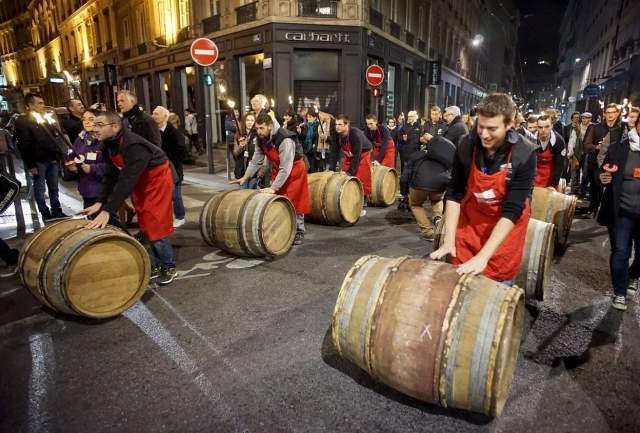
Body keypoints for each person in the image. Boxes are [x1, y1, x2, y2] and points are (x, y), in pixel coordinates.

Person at [430, 93, 536, 284]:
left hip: (503, 231)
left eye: (492, 129)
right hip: (472, 223)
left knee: (496, 286)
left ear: (509, 124)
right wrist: (448, 240)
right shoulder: (466, 144)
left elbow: (512, 210)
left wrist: (483, 257)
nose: (484, 134)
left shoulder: (524, 153)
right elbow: (454, 193)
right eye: (481, 127)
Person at [82, 111, 177, 285]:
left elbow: (125, 181)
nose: (94, 129)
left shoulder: (134, 145)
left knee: (154, 223)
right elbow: (111, 176)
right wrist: (100, 202)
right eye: (94, 125)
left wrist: (108, 211)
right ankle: (157, 264)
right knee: (144, 222)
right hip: (140, 180)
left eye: (99, 125)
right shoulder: (107, 145)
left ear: (115, 126)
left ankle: (169, 266)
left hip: (157, 180)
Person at [232, 113, 310, 245]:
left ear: (270, 126)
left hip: (294, 171)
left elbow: (286, 167)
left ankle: (299, 231)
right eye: (257, 128)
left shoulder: (285, 139)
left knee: (295, 200)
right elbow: (256, 160)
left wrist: (274, 187)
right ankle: (284, 227)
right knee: (279, 201)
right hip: (279, 169)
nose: (258, 131)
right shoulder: (261, 138)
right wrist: (245, 177)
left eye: (261, 128)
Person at [597, 116, 640, 311]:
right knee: (621, 251)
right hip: (621, 210)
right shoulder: (619, 147)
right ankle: (620, 292)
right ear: (637, 125)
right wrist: (602, 177)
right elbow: (602, 171)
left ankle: (633, 275)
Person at [14, 93, 68, 220]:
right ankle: (45, 212)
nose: (42, 106)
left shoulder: (45, 118)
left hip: (51, 158)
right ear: (29, 105)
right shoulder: (22, 121)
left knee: (54, 187)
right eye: (39, 103)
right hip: (38, 160)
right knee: (40, 188)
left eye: (42, 102)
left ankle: (57, 210)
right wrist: (31, 165)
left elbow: (55, 136)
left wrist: (58, 155)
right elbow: (24, 144)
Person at [401, 135, 455, 240]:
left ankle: (428, 232)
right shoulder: (444, 158)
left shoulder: (416, 155)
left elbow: (405, 176)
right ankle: (438, 218)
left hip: (418, 185)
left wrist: (404, 192)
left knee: (416, 205)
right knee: (436, 200)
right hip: (439, 185)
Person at [583, 103, 623, 216]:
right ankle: (593, 209)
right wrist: (597, 147)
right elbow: (586, 145)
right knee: (595, 188)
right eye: (608, 113)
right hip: (595, 163)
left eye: (613, 112)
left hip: (613, 165)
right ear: (604, 114)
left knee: (611, 190)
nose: (610, 115)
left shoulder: (621, 129)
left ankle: (606, 212)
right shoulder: (595, 127)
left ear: (617, 114)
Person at [153, 106, 188, 228]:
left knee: (175, 195)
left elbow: (183, 153)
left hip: (173, 169)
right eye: (153, 113)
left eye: (157, 114)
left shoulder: (174, 132)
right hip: (158, 169)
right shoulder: (153, 131)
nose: (154, 116)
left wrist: (166, 157)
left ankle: (180, 216)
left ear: (165, 117)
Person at [332, 114, 373, 215]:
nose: (337, 126)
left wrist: (350, 172)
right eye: (336, 124)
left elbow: (357, 156)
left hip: (363, 154)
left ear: (347, 125)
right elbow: (334, 152)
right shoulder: (337, 134)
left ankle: (362, 205)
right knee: (342, 176)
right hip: (350, 155)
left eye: (340, 124)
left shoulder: (355, 134)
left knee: (360, 177)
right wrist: (332, 168)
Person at [65, 109, 107, 209]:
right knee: (91, 219)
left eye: (91, 119)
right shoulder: (80, 139)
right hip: (86, 188)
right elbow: (73, 156)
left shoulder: (105, 140)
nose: (87, 122)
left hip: (102, 189)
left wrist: (92, 168)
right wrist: (71, 164)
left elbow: (113, 166)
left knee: (103, 221)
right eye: (84, 119)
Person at [233, 112, 267, 188]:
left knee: (252, 195)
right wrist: (241, 146)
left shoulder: (259, 135)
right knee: (243, 195)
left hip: (255, 172)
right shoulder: (239, 135)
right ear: (244, 122)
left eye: (252, 120)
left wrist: (261, 172)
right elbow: (235, 154)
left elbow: (264, 155)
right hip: (242, 171)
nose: (249, 122)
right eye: (247, 120)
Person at [534, 115, 566, 188]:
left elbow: (560, 165)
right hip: (534, 176)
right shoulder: (530, 139)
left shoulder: (559, 141)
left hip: (551, 176)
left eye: (546, 127)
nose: (543, 130)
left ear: (552, 126)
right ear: (536, 127)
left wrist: (553, 185)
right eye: (540, 127)